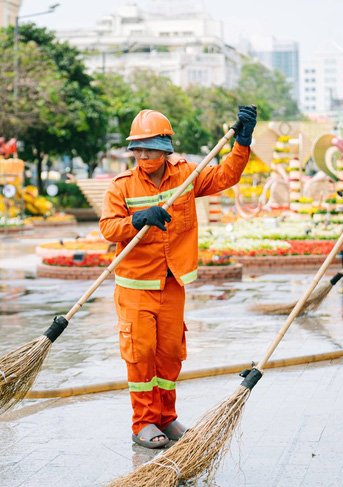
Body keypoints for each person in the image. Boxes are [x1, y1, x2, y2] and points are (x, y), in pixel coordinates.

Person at [99, 106, 256, 449]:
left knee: (170, 353)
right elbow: (109, 228)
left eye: (150, 149)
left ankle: (166, 418)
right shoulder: (122, 186)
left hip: (172, 282)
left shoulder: (187, 175)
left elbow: (226, 176)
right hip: (136, 286)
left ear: (166, 147)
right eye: (138, 149)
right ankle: (143, 422)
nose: (143, 156)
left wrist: (242, 141)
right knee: (141, 354)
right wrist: (138, 219)